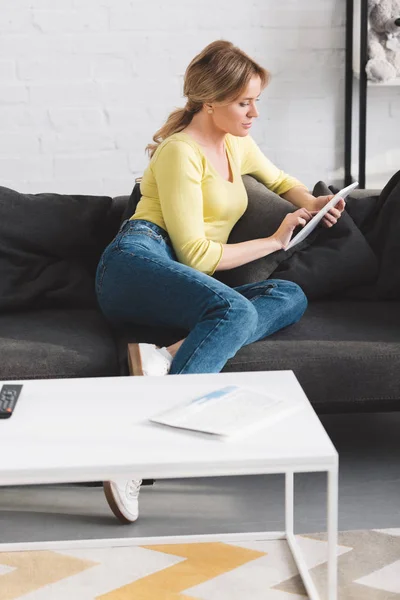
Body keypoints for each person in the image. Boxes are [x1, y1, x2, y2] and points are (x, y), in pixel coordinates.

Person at [95, 40, 345, 523]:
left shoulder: (237, 142)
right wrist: (276, 240)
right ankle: (139, 456)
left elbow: (278, 180)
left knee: (289, 294)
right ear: (210, 102)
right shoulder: (179, 153)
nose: (253, 113)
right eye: (243, 102)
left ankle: (164, 355)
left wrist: (313, 204)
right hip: (137, 263)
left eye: (256, 101)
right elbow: (196, 255)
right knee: (235, 309)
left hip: (181, 285)